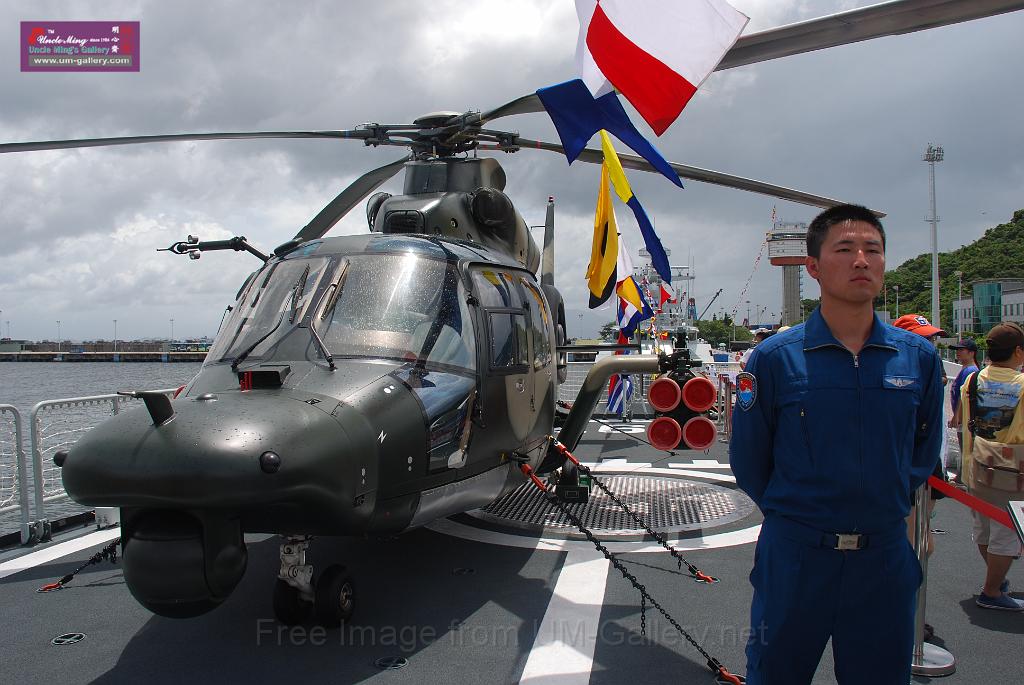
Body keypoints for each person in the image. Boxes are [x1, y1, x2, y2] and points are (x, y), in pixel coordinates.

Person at [731, 204, 942, 684]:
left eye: (873, 250)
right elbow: (749, 459)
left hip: (883, 559)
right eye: (845, 249)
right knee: (775, 674)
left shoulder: (918, 358)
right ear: (813, 267)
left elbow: (923, 451)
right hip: (797, 559)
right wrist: (802, 516)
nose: (862, 260)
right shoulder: (774, 360)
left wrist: (881, 501)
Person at [958, 321, 1024, 611]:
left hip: (977, 465)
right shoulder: (1021, 384)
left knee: (983, 529)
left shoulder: (973, 380)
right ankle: (992, 591)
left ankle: (995, 581)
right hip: (1011, 472)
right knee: (1007, 533)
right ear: (1018, 352)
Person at [947, 337, 980, 480]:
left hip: (965, 417)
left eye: (962, 350)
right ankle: (961, 476)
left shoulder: (970, 370)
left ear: (972, 353)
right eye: (957, 350)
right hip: (963, 416)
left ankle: (963, 478)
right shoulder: (966, 369)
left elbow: (963, 395)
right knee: (963, 447)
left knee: (965, 447)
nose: (958, 352)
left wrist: (957, 416)